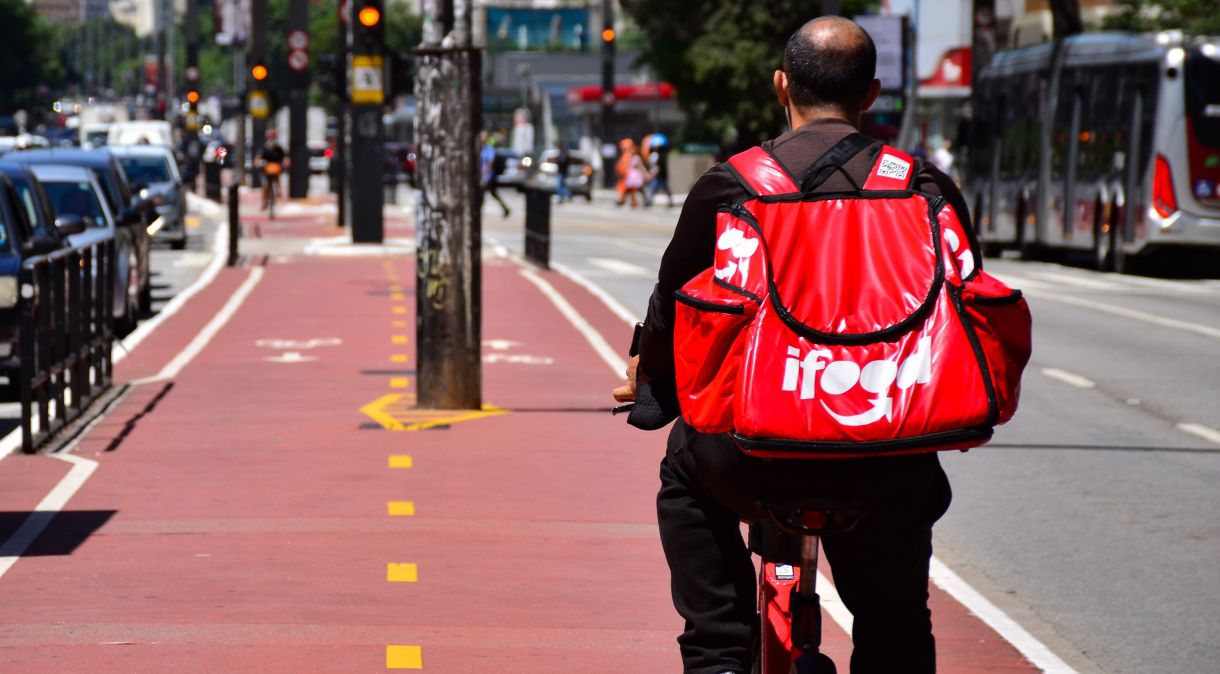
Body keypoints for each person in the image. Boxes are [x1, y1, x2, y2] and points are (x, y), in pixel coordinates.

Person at [613, 16, 972, 674]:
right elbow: (968, 310)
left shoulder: (735, 184)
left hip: (750, 459)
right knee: (895, 622)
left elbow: (674, 301)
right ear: (872, 92)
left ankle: (720, 652)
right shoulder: (922, 187)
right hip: (884, 459)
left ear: (782, 86)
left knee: (683, 475)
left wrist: (651, 386)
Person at [480, 131, 511, 218]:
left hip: (488, 176)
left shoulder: (489, 149)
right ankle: (505, 209)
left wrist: (485, 172)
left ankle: (505, 209)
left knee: (486, 193)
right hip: (482, 175)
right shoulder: (480, 148)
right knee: (492, 193)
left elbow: (490, 162)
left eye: (484, 137)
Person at [255, 130, 287, 211]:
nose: (272, 140)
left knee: (277, 180)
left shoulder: (279, 149)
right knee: (265, 185)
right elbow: (257, 159)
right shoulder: (264, 149)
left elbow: (286, 158)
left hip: (275, 170)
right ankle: (264, 202)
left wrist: (284, 164)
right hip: (265, 171)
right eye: (270, 138)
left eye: (273, 138)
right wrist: (259, 163)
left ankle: (278, 192)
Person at [616, 139, 647, 208]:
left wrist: (645, 174)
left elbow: (640, 166)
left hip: (633, 176)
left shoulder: (635, 157)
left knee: (632, 189)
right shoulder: (629, 156)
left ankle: (628, 201)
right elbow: (622, 165)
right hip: (629, 175)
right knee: (629, 189)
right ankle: (626, 201)